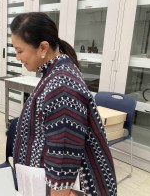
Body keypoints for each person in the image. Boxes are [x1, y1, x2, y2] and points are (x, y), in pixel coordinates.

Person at [10, 12, 117, 196]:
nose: (17, 57)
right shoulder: (55, 72)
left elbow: (63, 161)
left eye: (20, 50)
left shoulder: (62, 88)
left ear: (43, 47)